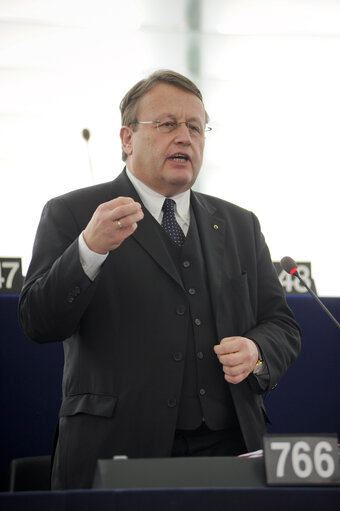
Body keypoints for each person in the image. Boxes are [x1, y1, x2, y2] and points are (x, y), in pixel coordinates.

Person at [18, 69, 301, 490]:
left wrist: (257, 351)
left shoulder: (240, 224)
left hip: (232, 449)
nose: (185, 136)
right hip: (119, 449)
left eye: (194, 126)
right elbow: (39, 322)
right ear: (126, 139)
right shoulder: (74, 214)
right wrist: (89, 250)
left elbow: (281, 325)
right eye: (167, 124)